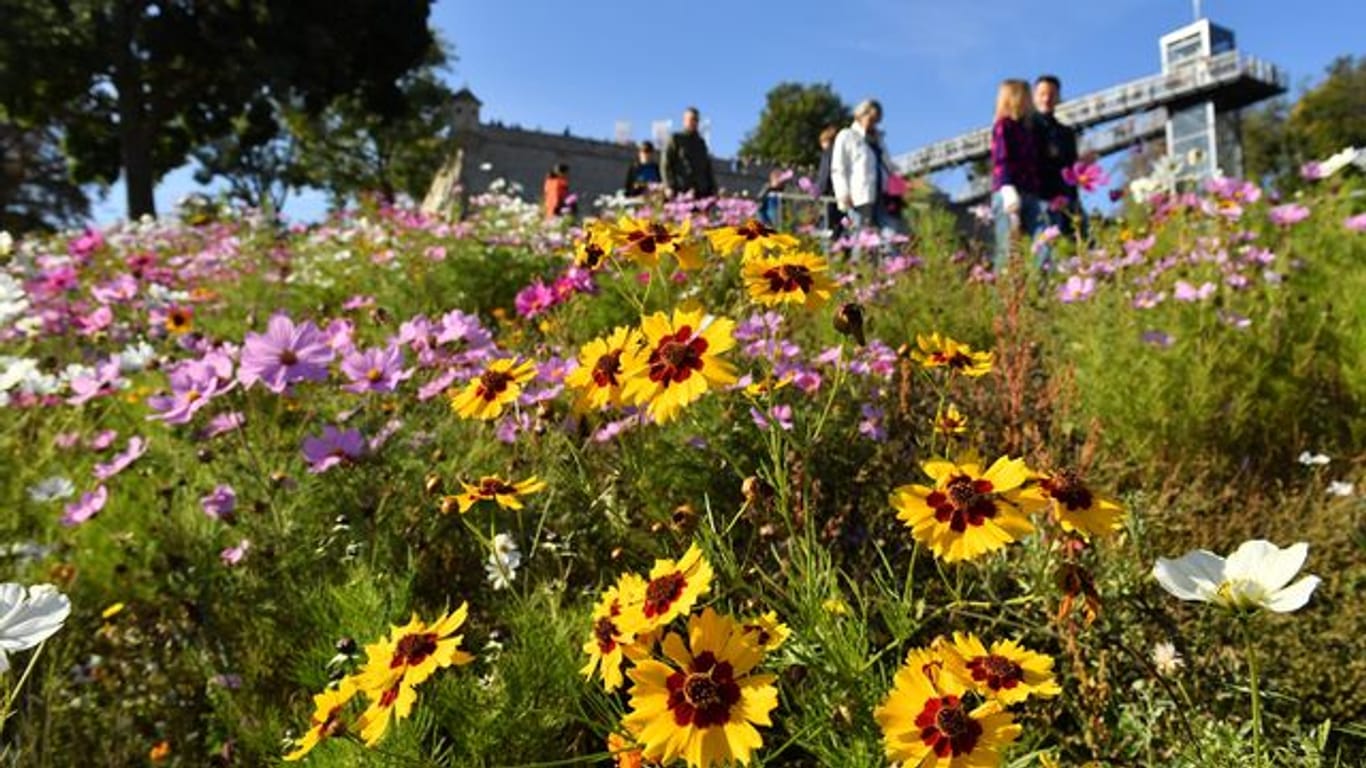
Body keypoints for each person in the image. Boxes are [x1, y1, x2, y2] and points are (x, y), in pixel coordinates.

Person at [990, 80, 1044, 270]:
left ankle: (1041, 284)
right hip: (1009, 192)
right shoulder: (1003, 126)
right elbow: (1001, 157)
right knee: (1008, 248)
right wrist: (1006, 187)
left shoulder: (1026, 129)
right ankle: (1002, 295)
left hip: (1030, 191)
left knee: (1041, 241)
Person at [1033, 75, 1086, 237]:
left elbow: (1072, 168)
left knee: (1078, 244)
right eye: (1042, 94)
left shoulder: (1066, 132)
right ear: (1034, 97)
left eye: (1051, 94)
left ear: (1058, 98)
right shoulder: (1026, 129)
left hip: (1067, 199)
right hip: (1040, 199)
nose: (1047, 99)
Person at [831, 99, 891, 232]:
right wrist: (843, 194)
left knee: (890, 237)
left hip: (883, 196)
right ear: (860, 115)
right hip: (860, 197)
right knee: (861, 237)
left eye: (876, 121)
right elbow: (838, 168)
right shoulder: (847, 136)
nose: (873, 124)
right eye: (871, 119)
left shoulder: (879, 141)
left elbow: (889, 167)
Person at [662, 107, 717, 199]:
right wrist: (668, 185)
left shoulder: (701, 143)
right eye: (691, 119)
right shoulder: (676, 139)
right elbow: (665, 164)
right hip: (681, 191)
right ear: (684, 121)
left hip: (701, 191)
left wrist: (713, 187)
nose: (694, 122)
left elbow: (707, 167)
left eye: (696, 120)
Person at [814, 125, 844, 240]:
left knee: (826, 225)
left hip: (830, 196)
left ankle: (828, 246)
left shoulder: (828, 153)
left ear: (826, 141)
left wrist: (818, 191)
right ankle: (842, 246)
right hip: (842, 196)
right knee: (844, 222)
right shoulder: (842, 153)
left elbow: (824, 176)